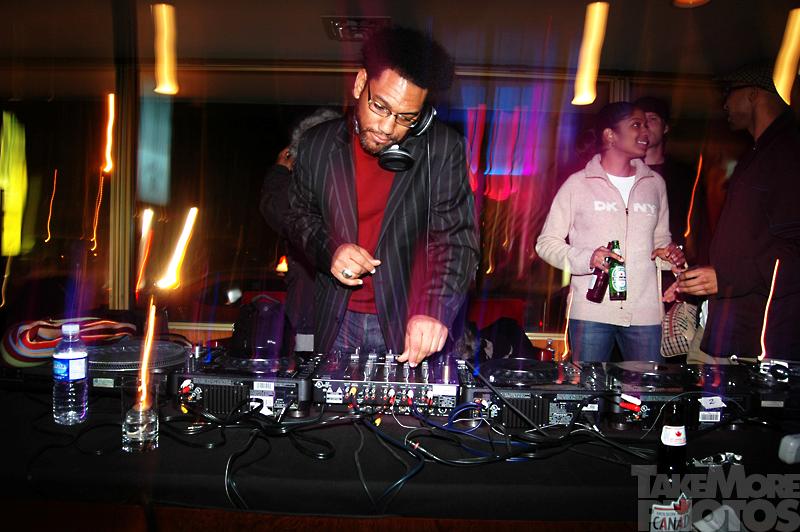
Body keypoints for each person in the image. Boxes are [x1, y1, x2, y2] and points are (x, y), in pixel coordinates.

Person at [286, 26, 479, 367]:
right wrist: (331, 249)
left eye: (407, 118)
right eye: (380, 107)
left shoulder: (442, 150)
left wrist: (434, 309)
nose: (388, 128)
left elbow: (456, 241)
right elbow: (299, 216)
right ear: (361, 83)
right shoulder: (316, 145)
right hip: (334, 320)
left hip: (407, 323)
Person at [667, 63, 800, 361]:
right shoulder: (759, 154)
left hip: (762, 337)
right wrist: (702, 278)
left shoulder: (788, 154)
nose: (725, 103)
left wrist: (727, 276)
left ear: (753, 94)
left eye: (729, 92)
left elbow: (795, 251)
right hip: (732, 326)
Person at [536, 102, 685, 362]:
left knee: (645, 388)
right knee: (589, 386)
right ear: (610, 135)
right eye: (636, 125)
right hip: (591, 313)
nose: (645, 132)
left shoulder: (655, 184)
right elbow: (546, 243)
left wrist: (669, 255)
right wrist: (587, 258)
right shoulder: (578, 184)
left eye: (646, 125)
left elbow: (660, 240)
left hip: (645, 314)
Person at [259, 108, 341, 352]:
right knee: (312, 365)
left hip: (316, 314)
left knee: (311, 364)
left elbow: (280, 211)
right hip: (314, 313)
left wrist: (280, 171)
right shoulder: (334, 184)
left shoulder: (320, 189)